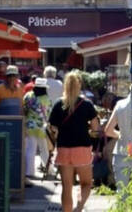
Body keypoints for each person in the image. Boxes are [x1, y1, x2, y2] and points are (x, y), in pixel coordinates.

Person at [48, 71, 100, 212]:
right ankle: (79, 207)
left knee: (66, 186)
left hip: (64, 148)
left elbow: (52, 128)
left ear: (65, 85)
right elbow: (96, 128)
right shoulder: (87, 105)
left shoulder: (59, 104)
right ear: (79, 85)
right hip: (82, 148)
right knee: (86, 183)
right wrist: (89, 132)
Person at [103, 92, 132, 190]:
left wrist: (122, 134)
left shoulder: (120, 105)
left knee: (122, 195)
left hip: (122, 153)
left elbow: (108, 130)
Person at [23, 78, 52, 180]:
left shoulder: (28, 95)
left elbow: (24, 110)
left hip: (30, 126)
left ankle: (29, 172)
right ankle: (49, 170)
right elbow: (49, 113)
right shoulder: (47, 99)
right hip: (42, 127)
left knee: (30, 149)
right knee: (44, 149)